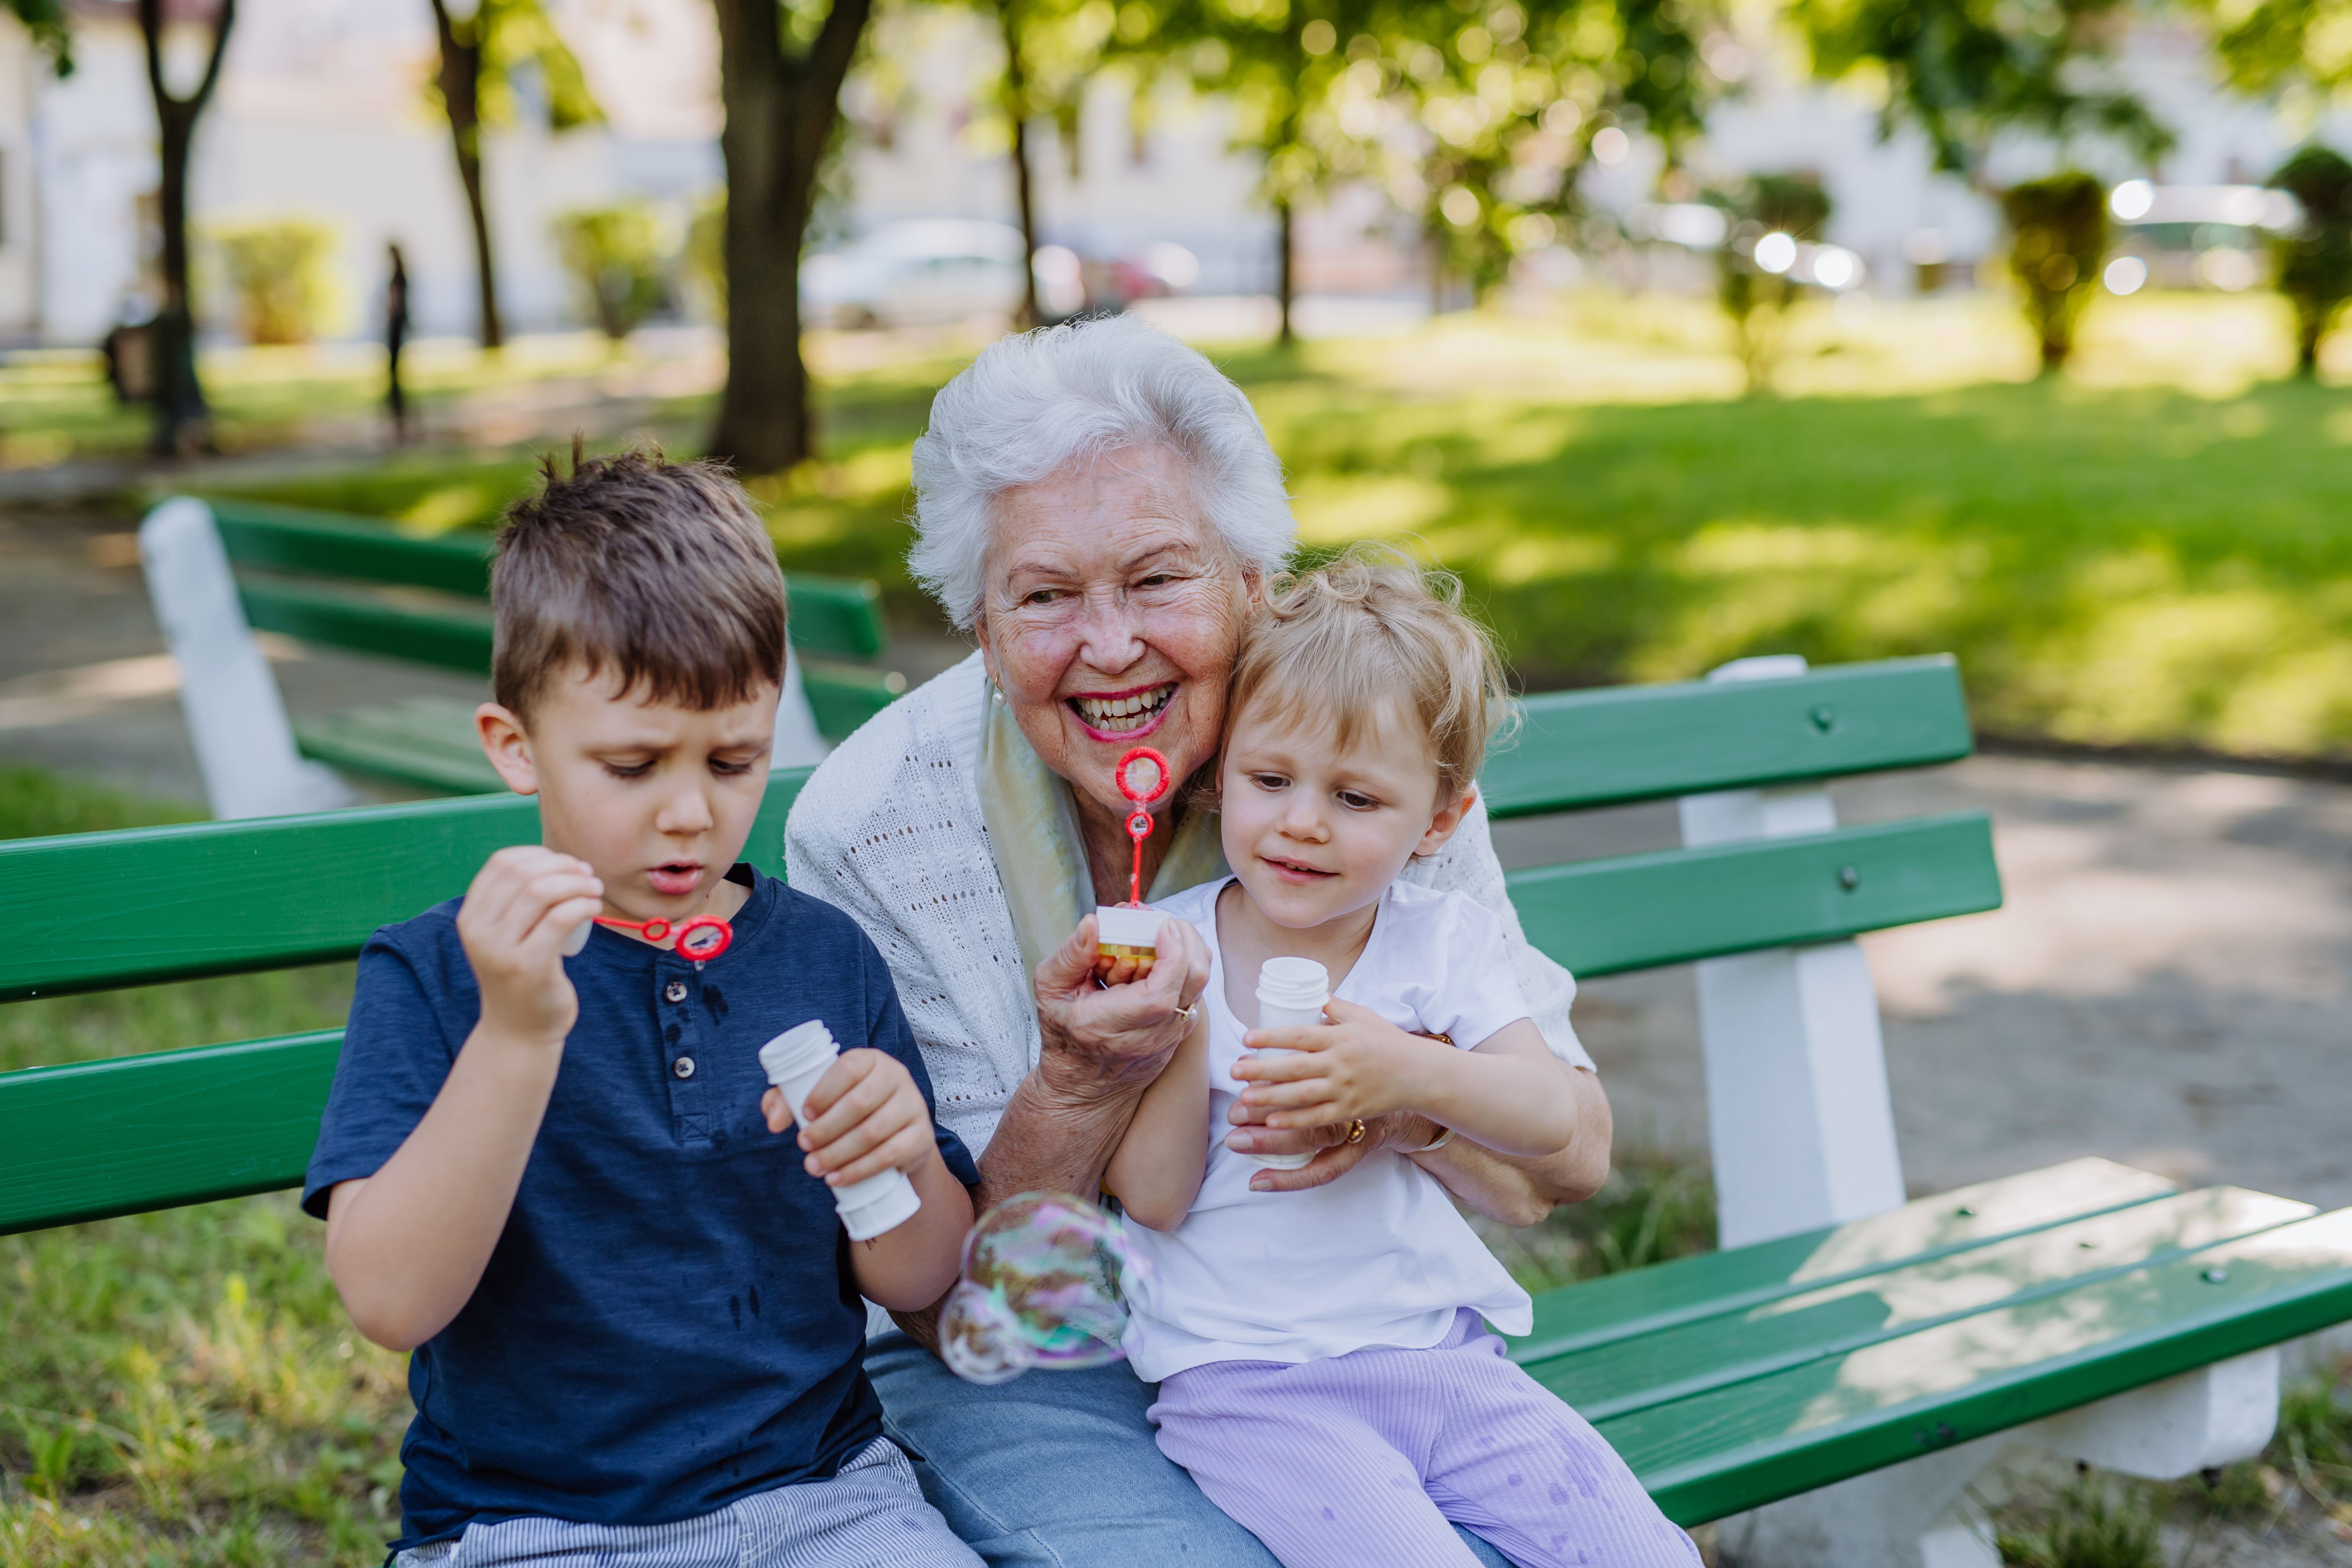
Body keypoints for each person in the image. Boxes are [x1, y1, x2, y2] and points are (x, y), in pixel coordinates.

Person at [785, 313, 1617, 1568]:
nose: (1109, 646)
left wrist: (1398, 1105)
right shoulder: (875, 824)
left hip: (1350, 1343)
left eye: (1158, 579)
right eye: (1045, 596)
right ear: (981, 629)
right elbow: (946, 1300)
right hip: (1025, 1368)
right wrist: (1074, 1086)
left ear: (1252, 587)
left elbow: (1551, 1164)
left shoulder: (1364, 772)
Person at [304, 449, 983, 1567]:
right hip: (528, 1529)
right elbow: (390, 1300)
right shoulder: (439, 976)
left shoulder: (824, 956)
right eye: (632, 766)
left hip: (826, 1502)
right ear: (515, 749)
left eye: (734, 760)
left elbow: (919, 1281)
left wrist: (903, 1154)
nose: (688, 814)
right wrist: (518, 1036)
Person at [1102, 555, 1699, 1568]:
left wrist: (1410, 1076)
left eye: (1356, 796)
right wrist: (1181, 1024)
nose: (1302, 820)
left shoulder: (1441, 943)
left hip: (1446, 1363)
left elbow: (1555, 1120)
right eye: (1271, 778)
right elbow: (1153, 1199)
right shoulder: (1172, 945)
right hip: (1252, 1385)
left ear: (1437, 820)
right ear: (1216, 775)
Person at [385, 242, 412, 444]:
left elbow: (395, 303)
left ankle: (399, 411)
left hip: (395, 327)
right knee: (395, 370)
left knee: (394, 370)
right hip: (399, 327)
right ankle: (398, 408)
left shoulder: (398, 276)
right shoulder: (403, 274)